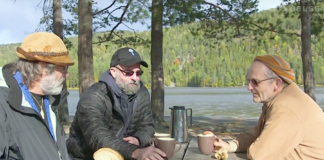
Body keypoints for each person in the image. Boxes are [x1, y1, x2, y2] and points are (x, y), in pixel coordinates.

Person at [204, 55, 324, 159]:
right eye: (248, 81)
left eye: (255, 82)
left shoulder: (286, 108)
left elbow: (258, 155)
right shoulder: (276, 99)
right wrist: (229, 145)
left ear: (276, 84)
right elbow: (257, 134)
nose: (249, 87)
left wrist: (256, 145)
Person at [66, 47, 166, 160]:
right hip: (85, 156)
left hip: (124, 155)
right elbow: (98, 138)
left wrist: (138, 139)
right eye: (128, 73)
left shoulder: (142, 93)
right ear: (114, 72)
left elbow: (147, 125)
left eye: (138, 73)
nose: (135, 78)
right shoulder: (93, 97)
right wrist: (135, 152)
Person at [0, 32, 74, 159]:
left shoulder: (49, 101)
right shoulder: (3, 103)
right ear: (42, 68)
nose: (66, 75)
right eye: (63, 68)